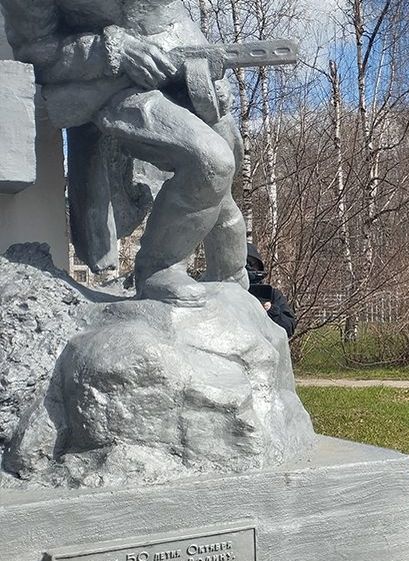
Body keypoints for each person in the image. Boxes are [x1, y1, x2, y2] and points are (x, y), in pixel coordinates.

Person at [2, 0, 249, 305]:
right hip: (112, 85)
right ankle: (159, 268)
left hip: (181, 72)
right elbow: (35, 51)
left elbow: (171, 16)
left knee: (226, 161)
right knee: (210, 160)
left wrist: (207, 67)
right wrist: (113, 52)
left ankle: (232, 280)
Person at [245, 243, 296, 337]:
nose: (248, 267)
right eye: (244, 263)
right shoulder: (225, 293)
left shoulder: (271, 294)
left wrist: (271, 310)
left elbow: (288, 327)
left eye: (252, 263)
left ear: (259, 266)